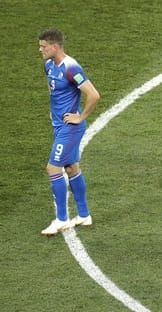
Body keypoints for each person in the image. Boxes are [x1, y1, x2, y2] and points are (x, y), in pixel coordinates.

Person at [39, 28, 100, 236]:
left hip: (70, 127)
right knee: (72, 168)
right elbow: (53, 90)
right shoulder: (49, 66)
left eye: (44, 46)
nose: (41, 50)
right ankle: (84, 215)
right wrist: (52, 112)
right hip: (59, 125)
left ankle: (61, 219)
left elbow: (94, 95)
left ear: (55, 46)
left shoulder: (71, 67)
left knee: (53, 168)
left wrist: (80, 117)